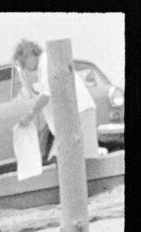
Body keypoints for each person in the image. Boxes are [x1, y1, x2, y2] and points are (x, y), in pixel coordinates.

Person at [13, 38, 101, 167]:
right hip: (71, 115)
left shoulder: (46, 63)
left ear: (29, 55)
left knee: (81, 158)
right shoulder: (46, 63)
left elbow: (46, 94)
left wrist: (30, 114)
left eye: (24, 63)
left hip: (78, 111)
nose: (26, 68)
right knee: (65, 157)